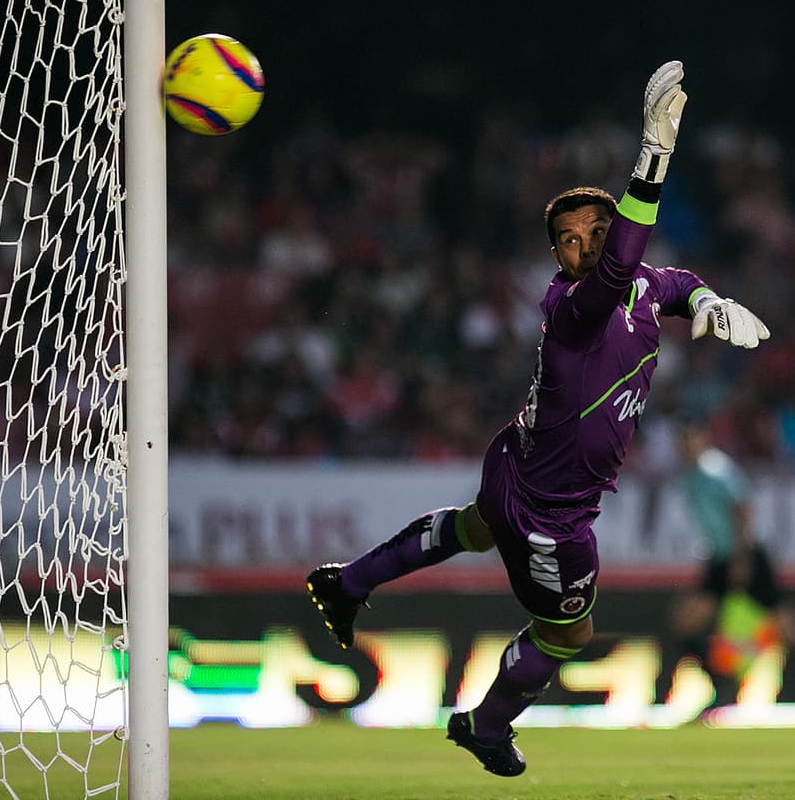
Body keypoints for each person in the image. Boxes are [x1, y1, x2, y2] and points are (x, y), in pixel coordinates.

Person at [306, 61, 770, 777]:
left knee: (469, 525)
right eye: (564, 239)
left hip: (510, 464)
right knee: (569, 632)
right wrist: (653, 159)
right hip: (551, 513)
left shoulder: (646, 285)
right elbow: (624, 272)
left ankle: (350, 582)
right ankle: (486, 724)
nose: (577, 247)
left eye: (590, 233)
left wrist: (708, 303)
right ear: (555, 255)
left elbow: (673, 284)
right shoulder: (571, 306)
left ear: (612, 232)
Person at [668, 422, 795, 710]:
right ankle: (722, 682)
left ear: (703, 440)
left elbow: (743, 510)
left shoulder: (715, 471)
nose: (685, 447)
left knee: (790, 635)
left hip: (744, 557)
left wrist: (742, 558)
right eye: (681, 442)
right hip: (720, 558)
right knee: (684, 623)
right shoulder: (689, 476)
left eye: (690, 440)